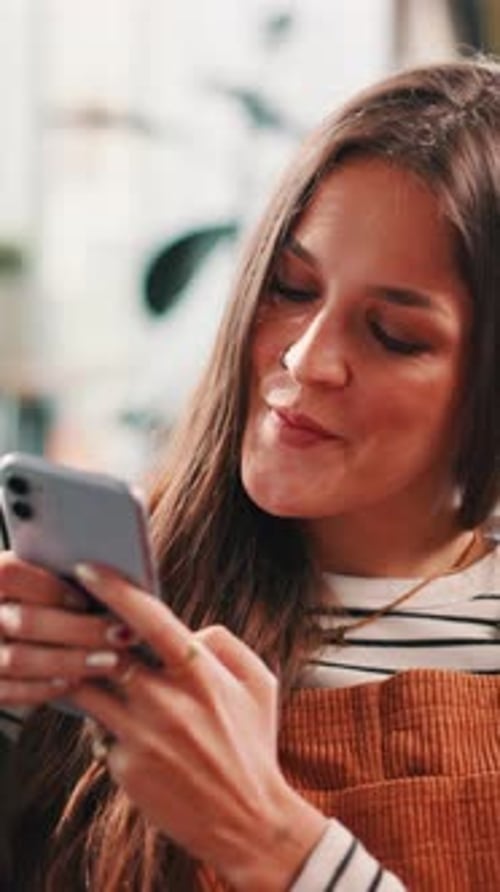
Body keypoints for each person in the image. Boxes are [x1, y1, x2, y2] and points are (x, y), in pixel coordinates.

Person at [1, 57, 499, 891]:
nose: (306, 360)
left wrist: (271, 840)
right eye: (291, 287)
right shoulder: (93, 604)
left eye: (392, 334)